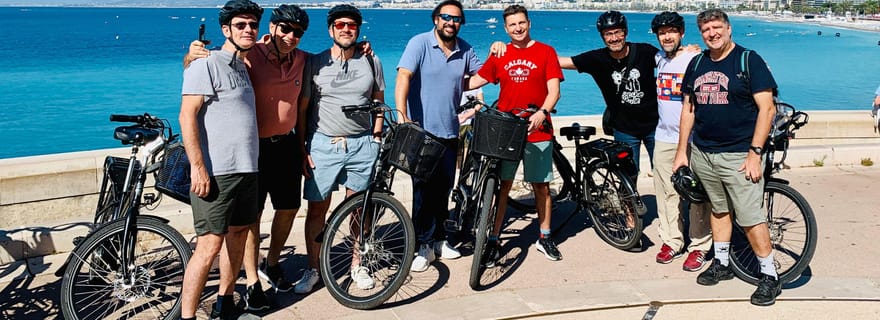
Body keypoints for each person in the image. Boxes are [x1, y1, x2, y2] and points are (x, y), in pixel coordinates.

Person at [184, 4, 311, 310]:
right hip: (233, 161)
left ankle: (241, 288)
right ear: (274, 29)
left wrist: (362, 49)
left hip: (267, 154)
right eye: (240, 25)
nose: (291, 36)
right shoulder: (240, 56)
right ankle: (247, 283)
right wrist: (190, 56)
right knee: (220, 237)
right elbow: (190, 106)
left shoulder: (294, 60)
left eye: (297, 32)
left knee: (262, 220)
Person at [672, 9, 781, 306]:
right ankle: (721, 263)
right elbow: (688, 109)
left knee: (750, 218)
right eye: (706, 29)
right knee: (718, 211)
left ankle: (769, 275)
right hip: (704, 153)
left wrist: (755, 153)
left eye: (717, 27)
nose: (712, 33)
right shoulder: (697, 63)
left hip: (739, 153)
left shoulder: (749, 60)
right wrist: (682, 151)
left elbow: (767, 109)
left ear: (729, 29)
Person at [178, 1, 262, 319]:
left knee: (238, 234)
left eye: (252, 24)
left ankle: (225, 303)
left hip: (247, 167)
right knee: (209, 245)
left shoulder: (243, 65)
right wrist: (198, 168)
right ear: (226, 29)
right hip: (217, 172)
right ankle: (187, 315)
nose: (248, 30)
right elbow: (187, 115)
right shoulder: (206, 63)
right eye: (240, 25)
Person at [294, 4, 385, 294]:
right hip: (323, 144)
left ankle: (356, 264)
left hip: (362, 144)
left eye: (352, 25)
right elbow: (303, 108)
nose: (347, 29)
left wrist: (377, 135)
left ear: (358, 30)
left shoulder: (372, 60)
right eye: (341, 24)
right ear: (331, 29)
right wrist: (302, 148)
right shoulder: (315, 62)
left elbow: (378, 100)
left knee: (358, 209)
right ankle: (314, 268)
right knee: (317, 209)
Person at [465, 5, 564, 263]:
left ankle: (545, 236)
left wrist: (543, 111)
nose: (518, 28)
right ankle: (495, 239)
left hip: (537, 128)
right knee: (503, 185)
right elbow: (475, 81)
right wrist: (439, 78)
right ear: (506, 28)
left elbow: (554, 91)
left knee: (541, 186)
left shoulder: (546, 52)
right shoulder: (501, 52)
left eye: (521, 23)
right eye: (512, 25)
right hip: (507, 129)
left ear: (529, 23)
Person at [396, 0, 482, 272]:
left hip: (449, 131)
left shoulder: (465, 49)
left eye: (456, 19)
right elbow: (403, 77)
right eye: (446, 17)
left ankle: (439, 240)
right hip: (422, 131)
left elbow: (475, 79)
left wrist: (497, 56)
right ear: (436, 19)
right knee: (422, 191)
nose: (451, 22)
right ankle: (421, 244)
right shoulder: (419, 43)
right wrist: (402, 115)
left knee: (444, 188)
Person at [561, 10, 660, 179]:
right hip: (624, 129)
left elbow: (670, 59)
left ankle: (667, 207)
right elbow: (562, 62)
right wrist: (522, 50)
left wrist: (687, 50)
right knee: (627, 178)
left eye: (617, 32)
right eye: (608, 34)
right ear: (602, 36)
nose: (613, 38)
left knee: (663, 173)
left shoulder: (646, 51)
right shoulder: (597, 59)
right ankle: (629, 206)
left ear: (625, 32)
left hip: (655, 127)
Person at [649, 11, 712, 272]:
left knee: (697, 194)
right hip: (664, 136)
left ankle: (699, 246)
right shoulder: (658, 59)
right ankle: (672, 241)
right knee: (666, 193)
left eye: (671, 31)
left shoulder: (694, 58)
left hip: (694, 138)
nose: (667, 36)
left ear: (682, 33)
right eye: (662, 33)